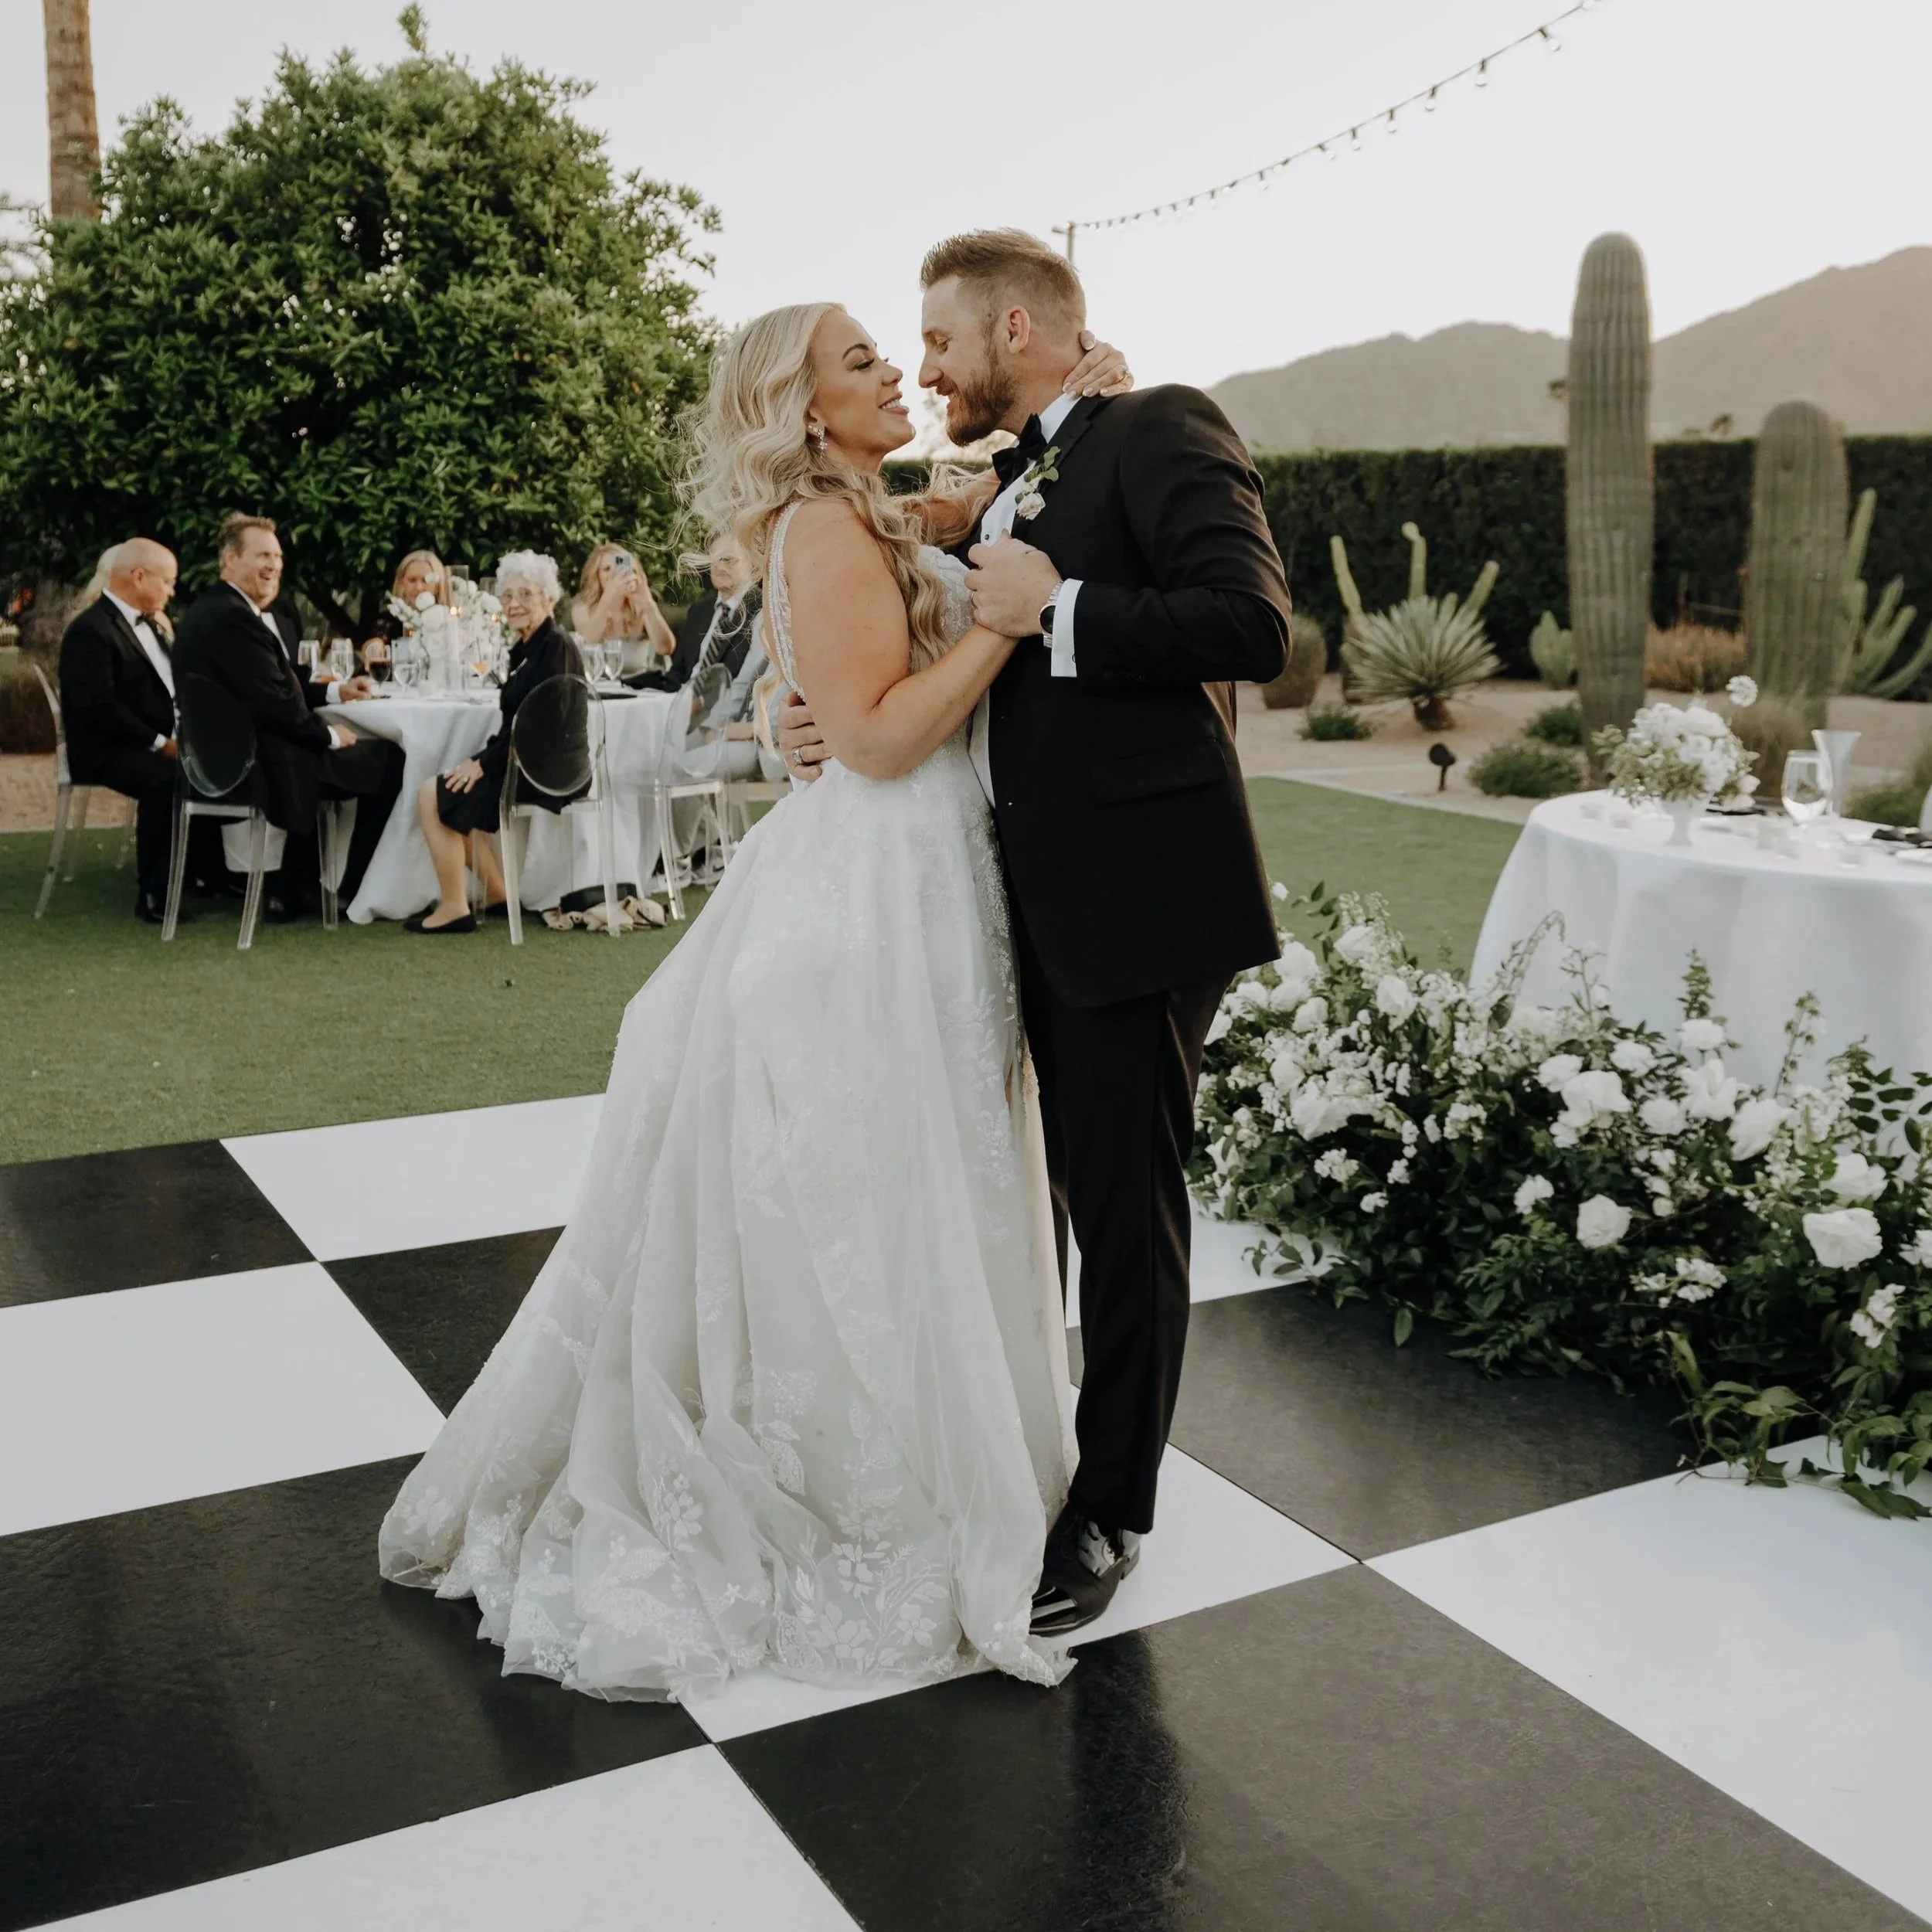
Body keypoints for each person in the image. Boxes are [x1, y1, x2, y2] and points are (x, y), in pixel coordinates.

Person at [379, 305, 1133, 1702]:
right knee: (874, 1181)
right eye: (862, 362)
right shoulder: (830, 530)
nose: (896, 373)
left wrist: (1082, 399)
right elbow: (880, 735)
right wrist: (1008, 633)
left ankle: (924, 1437)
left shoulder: (865, 510)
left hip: (907, 873)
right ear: (799, 411)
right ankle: (871, 1477)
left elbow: (953, 538)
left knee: (900, 1170)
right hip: (881, 887)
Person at [780, 230, 1291, 1637]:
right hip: (1031, 901)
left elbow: (1252, 624)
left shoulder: (1162, 424)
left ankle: (1112, 1508)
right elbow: (894, 598)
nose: (922, 365)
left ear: (1016, 328)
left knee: (1125, 1209)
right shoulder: (1016, 468)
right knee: (1045, 1195)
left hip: (1142, 896)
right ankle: (1019, 1447)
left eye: (936, 342)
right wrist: (809, 707)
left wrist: (1061, 611)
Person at [171, 515, 405, 920]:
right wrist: (329, 736)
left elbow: (275, 684)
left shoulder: (215, 609)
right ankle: (349, 887)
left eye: (277, 556)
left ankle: (299, 883)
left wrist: (334, 691)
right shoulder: (233, 618)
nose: (274, 565)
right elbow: (276, 705)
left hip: (224, 758)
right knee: (392, 760)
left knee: (348, 758)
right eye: (263, 555)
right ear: (229, 559)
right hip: (254, 764)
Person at [406, 551, 578, 934]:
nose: (515, 604)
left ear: (549, 598)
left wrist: (483, 764)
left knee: (432, 794)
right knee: (445, 787)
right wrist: (483, 759)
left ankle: (454, 908)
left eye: (526, 595)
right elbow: (516, 728)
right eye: (509, 596)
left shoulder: (555, 647)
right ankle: (497, 892)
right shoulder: (529, 647)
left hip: (543, 770)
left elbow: (540, 728)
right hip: (525, 759)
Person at [57, 538, 181, 922]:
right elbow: (100, 708)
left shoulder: (154, 626)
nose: (172, 592)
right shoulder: (90, 631)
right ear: (139, 576)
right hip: (106, 748)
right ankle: (153, 895)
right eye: (168, 582)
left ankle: (203, 874)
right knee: (169, 777)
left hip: (149, 738)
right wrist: (162, 743)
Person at [626, 538, 760, 694]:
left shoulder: (761, 610)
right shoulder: (699, 611)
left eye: (728, 560)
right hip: (680, 703)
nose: (719, 567)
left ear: (752, 563)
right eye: (714, 560)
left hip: (728, 709)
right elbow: (677, 673)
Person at [571, 542, 676, 675]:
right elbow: (587, 643)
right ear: (596, 576)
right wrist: (609, 598)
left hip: (639, 689)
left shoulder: (641, 609)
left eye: (618, 567)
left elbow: (666, 648)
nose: (614, 574)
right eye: (607, 569)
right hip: (600, 688)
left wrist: (648, 604)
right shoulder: (582, 609)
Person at [361, 549, 452, 671]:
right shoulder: (391, 619)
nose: (419, 587)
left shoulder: (450, 619)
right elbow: (375, 640)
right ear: (402, 583)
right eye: (412, 580)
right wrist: (374, 649)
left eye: (426, 580)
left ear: (438, 585)